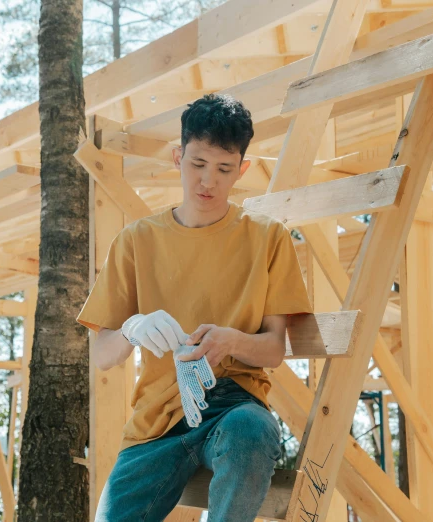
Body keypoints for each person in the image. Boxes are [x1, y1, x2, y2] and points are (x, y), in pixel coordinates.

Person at [76, 93, 312, 522]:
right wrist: (131, 329)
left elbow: (275, 349)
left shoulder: (268, 238)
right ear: (177, 157)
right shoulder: (136, 241)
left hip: (234, 406)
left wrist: (232, 342)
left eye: (224, 169)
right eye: (197, 164)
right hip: (157, 421)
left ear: (241, 169)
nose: (208, 181)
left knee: (253, 431)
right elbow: (102, 353)